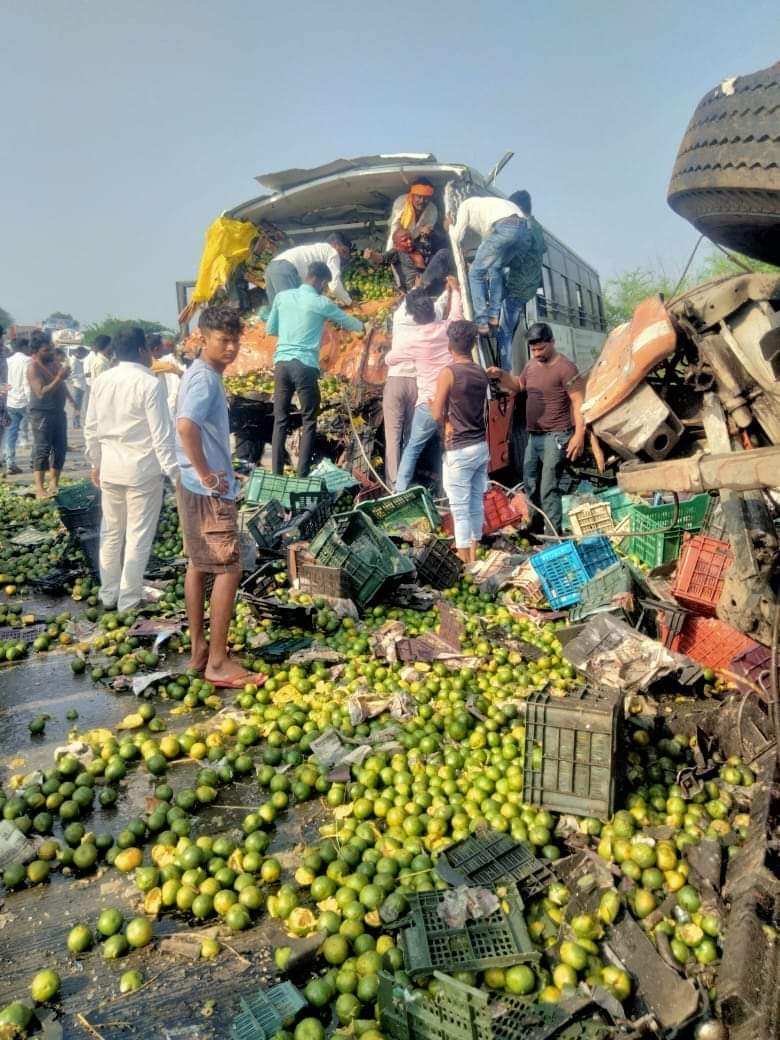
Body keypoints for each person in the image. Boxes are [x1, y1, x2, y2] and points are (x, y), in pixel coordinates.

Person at [175, 305, 253, 689]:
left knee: (199, 564)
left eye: (235, 340)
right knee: (229, 568)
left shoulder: (198, 375)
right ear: (202, 338)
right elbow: (186, 426)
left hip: (190, 485)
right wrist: (209, 474)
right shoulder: (204, 379)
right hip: (206, 490)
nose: (232, 348)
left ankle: (199, 649)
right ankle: (218, 663)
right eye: (223, 340)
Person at [84, 327, 179, 612]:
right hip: (142, 471)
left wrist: (95, 462)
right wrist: (175, 475)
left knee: (111, 533)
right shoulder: (149, 383)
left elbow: (91, 427)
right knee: (137, 535)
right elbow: (161, 436)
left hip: (111, 468)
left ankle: (109, 594)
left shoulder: (103, 381)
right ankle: (128, 600)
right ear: (142, 351)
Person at [266, 262, 364, 478]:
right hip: (305, 366)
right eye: (325, 284)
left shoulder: (282, 297)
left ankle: (275, 474)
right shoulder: (321, 302)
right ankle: (301, 475)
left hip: (281, 365)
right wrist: (364, 326)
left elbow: (270, 328)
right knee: (309, 419)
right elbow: (349, 322)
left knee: (280, 420)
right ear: (320, 281)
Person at [488, 322, 585, 532]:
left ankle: (553, 535)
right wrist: (502, 375)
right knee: (530, 482)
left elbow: (579, 403)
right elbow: (519, 386)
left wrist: (579, 435)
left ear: (552, 342)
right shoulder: (531, 365)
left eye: (541, 348)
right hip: (534, 436)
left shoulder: (566, 368)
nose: (537, 353)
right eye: (533, 349)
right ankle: (534, 528)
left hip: (556, 436)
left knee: (548, 487)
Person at [385, 284, 463, 492]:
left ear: (414, 318)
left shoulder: (413, 340)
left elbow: (390, 359)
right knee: (451, 446)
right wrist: (454, 291)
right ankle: (449, 491)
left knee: (413, 447)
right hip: (454, 401)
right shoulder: (448, 328)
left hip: (429, 403)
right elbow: (457, 313)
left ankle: (399, 491)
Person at [431, 320, 489, 563]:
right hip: (480, 447)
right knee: (476, 504)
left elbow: (435, 413)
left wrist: (444, 420)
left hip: (460, 449)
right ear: (473, 344)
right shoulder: (480, 373)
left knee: (459, 510)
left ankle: (466, 565)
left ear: (449, 345)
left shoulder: (449, 373)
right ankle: (474, 558)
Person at [446, 195, 530, 335]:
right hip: (524, 231)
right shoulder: (488, 206)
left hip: (505, 227)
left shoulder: (465, 206)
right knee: (495, 268)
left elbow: (457, 237)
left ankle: (481, 322)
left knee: (475, 273)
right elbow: (491, 248)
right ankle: (493, 317)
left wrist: (449, 225)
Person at [499, 191, 546, 371]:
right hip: (527, 288)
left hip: (517, 287)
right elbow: (543, 250)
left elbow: (516, 259)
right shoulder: (537, 227)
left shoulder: (524, 228)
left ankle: (505, 375)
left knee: (504, 334)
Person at [27, 331, 71, 498]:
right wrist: (60, 377)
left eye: (51, 349)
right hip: (42, 413)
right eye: (46, 350)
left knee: (60, 448)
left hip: (58, 412)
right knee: (43, 449)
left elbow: (61, 384)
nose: (51, 352)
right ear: (36, 351)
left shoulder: (53, 364)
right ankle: (39, 487)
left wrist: (71, 399)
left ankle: (54, 483)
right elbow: (41, 392)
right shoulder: (33, 368)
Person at [264, 233, 353, 305]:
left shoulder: (319, 248)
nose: (343, 256)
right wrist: (350, 302)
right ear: (336, 244)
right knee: (291, 310)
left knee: (277, 311)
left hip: (272, 266)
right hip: (285, 269)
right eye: (343, 251)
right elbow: (335, 286)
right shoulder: (333, 252)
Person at [365, 229, 451, 295]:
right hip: (415, 287)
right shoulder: (396, 253)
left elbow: (434, 245)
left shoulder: (418, 247)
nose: (409, 242)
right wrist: (372, 256)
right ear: (396, 245)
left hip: (430, 282)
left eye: (410, 238)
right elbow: (382, 258)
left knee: (443, 253)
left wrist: (429, 233)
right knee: (443, 254)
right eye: (404, 240)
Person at [386, 179, 438, 249]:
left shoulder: (433, 210)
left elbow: (428, 232)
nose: (422, 201)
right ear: (412, 195)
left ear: (430, 198)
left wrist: (425, 235)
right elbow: (394, 230)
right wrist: (390, 252)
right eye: (419, 197)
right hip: (399, 238)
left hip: (415, 240)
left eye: (426, 198)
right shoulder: (401, 202)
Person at [4, 338, 30, 474]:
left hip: (10, 400)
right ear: (25, 346)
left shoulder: (8, 361)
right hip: (25, 401)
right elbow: (27, 383)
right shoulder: (27, 360)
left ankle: (10, 463)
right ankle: (35, 462)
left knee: (11, 434)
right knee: (37, 432)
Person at [148, 334, 182, 417]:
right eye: (162, 347)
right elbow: (171, 367)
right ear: (156, 349)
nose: (163, 349)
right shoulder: (151, 363)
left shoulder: (157, 361)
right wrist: (182, 373)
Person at [83, 335, 112, 419]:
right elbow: (101, 386)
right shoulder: (101, 363)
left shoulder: (103, 361)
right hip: (102, 399)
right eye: (111, 345)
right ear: (107, 346)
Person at [68, 347, 88, 429]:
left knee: (78, 406)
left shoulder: (76, 360)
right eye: (83, 354)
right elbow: (71, 376)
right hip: (78, 385)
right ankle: (76, 423)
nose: (83, 356)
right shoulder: (73, 361)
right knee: (77, 406)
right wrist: (84, 375)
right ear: (78, 352)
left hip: (80, 385)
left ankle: (77, 423)